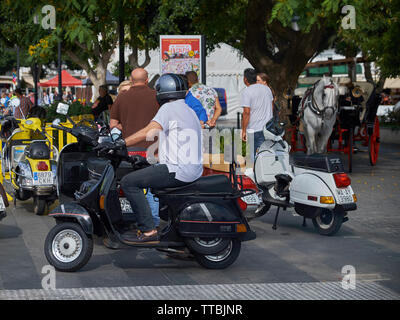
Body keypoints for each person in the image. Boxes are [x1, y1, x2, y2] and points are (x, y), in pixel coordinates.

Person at [107, 73, 203, 243]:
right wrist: (147, 160)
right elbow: (178, 146)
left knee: (129, 182)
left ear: (161, 92)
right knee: (143, 175)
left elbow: (148, 131)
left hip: (177, 170)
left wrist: (121, 143)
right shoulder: (188, 110)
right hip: (190, 169)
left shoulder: (168, 108)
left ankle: (149, 231)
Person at [110, 68, 161, 233]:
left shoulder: (122, 97)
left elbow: (113, 123)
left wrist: (127, 129)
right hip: (153, 151)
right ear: (147, 80)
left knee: (130, 187)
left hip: (130, 151)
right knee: (151, 188)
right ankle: (153, 222)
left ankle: (136, 221)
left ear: (131, 81)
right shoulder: (157, 96)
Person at [240, 68, 273, 157]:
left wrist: (243, 130)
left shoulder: (247, 91)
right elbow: (271, 106)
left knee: (253, 158)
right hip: (268, 128)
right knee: (266, 156)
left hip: (255, 129)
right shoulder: (267, 89)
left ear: (245, 79)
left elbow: (246, 113)